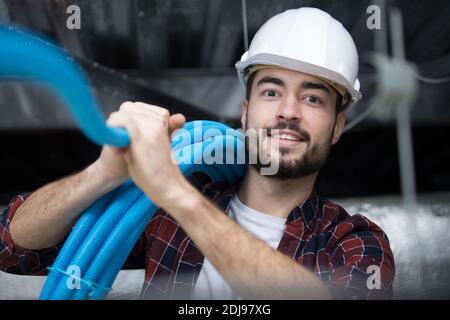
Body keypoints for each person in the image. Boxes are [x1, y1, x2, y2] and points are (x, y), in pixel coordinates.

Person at [0, 7, 394, 300]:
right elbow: (12, 249)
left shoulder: (352, 241)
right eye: (271, 91)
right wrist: (101, 175)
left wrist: (174, 190)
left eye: (312, 97)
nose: (288, 111)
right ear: (245, 111)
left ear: (338, 125)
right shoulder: (160, 216)